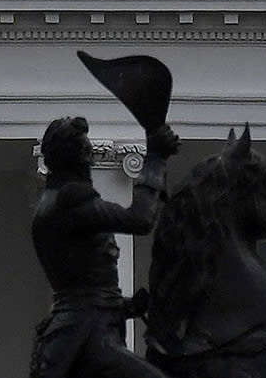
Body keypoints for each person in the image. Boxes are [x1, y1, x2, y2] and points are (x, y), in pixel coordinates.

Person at [27, 114, 179, 378]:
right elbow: (140, 219)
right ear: (79, 157)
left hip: (77, 330)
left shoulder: (50, 202)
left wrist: (128, 306)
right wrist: (154, 158)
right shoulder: (71, 199)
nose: (91, 158)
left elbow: (81, 283)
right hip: (88, 334)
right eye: (87, 151)